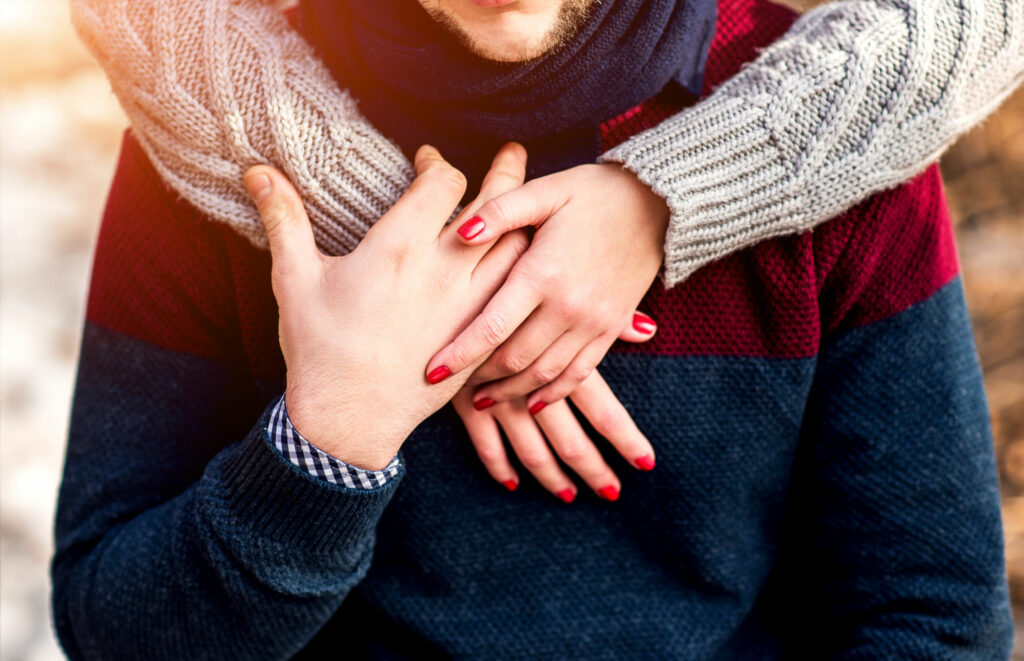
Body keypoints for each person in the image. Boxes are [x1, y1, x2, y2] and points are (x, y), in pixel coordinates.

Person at [53, 0, 1015, 657]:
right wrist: (323, 445)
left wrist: (667, 193)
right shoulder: (218, 142)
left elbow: (932, 617)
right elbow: (110, 626)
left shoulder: (837, 142)